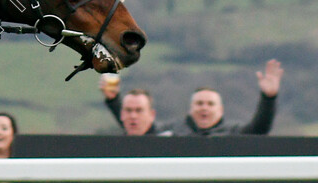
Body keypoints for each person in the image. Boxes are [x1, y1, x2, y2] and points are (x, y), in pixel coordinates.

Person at [100, 59, 284, 136]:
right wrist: (113, 101)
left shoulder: (233, 133)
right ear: (190, 108)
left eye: (210, 104)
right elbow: (138, 127)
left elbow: (259, 130)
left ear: (220, 110)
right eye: (199, 103)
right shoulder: (172, 133)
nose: (204, 107)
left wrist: (269, 97)